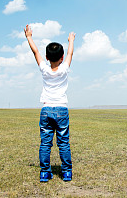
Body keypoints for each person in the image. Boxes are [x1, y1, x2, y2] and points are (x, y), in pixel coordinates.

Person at [24, 24, 76, 183]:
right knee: (63, 142)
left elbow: (35, 51)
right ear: (61, 58)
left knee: (45, 143)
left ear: (47, 58)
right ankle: (66, 172)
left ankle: (45, 173)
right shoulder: (65, 68)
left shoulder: (44, 69)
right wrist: (71, 40)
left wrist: (29, 37)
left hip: (46, 110)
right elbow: (70, 52)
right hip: (61, 109)